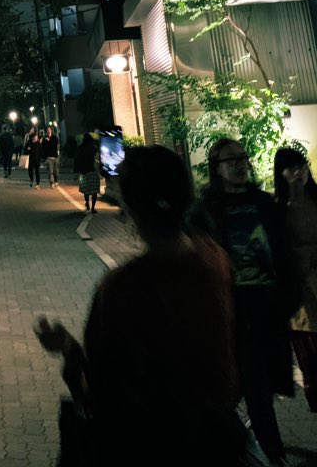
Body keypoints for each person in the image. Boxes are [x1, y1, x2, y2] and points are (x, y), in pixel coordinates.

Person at [35, 146, 246, 467]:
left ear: (130, 209)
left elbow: (101, 384)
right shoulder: (214, 258)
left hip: (150, 443)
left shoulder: (124, 288)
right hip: (215, 440)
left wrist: (66, 346)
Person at [196, 138, 299, 466]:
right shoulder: (207, 210)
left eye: (242, 158)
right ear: (216, 168)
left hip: (268, 305)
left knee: (264, 383)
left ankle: (256, 447)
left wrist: (289, 298)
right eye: (231, 160)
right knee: (249, 384)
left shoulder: (265, 204)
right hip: (232, 309)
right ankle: (271, 453)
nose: (240, 165)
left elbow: (285, 253)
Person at [274, 146, 317, 412]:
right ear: (282, 174)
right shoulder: (279, 211)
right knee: (309, 356)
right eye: (291, 168)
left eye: (302, 166)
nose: (299, 172)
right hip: (300, 296)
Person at [73, 132, 100, 212]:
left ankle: (87, 202)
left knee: (86, 190)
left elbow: (76, 159)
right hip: (92, 171)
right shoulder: (93, 148)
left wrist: (76, 170)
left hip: (83, 172)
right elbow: (98, 156)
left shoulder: (80, 148)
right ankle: (93, 208)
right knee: (94, 190)